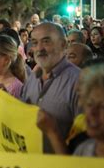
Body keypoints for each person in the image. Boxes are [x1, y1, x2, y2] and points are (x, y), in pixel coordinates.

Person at [21, 22, 81, 153]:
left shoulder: (79, 82)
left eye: (46, 41)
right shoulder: (32, 79)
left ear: (64, 45)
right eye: (35, 43)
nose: (39, 48)